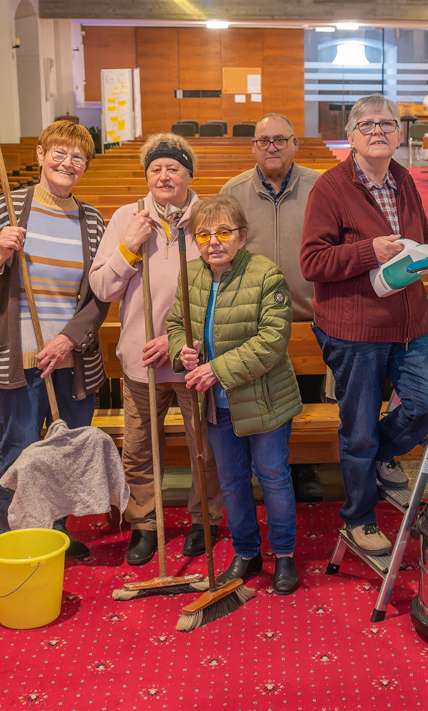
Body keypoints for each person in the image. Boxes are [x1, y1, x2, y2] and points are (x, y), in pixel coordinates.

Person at [300, 93, 428, 555]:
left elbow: (426, 244)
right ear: (351, 135)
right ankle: (358, 518)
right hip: (355, 330)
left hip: (411, 323)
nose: (378, 131)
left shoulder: (403, 179)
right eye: (367, 124)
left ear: (399, 133)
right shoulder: (331, 188)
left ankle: (381, 456)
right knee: (359, 428)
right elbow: (312, 262)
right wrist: (370, 251)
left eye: (387, 124)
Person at [0, 121, 109, 559]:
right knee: (19, 451)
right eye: (59, 153)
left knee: (64, 451)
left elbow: (99, 297)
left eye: (78, 157)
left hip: (71, 357)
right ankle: (18, 540)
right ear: (40, 155)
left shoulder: (92, 221)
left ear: (85, 166)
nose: (67, 163)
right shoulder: (8, 209)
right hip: (18, 359)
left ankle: (56, 535)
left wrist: (67, 339)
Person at [89, 134, 224, 566]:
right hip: (140, 360)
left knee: (204, 446)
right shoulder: (127, 217)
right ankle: (146, 523)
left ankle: (205, 519)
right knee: (141, 448)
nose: (164, 176)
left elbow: (226, 287)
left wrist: (179, 339)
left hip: (192, 358)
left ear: (189, 174)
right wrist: (130, 244)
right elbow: (104, 288)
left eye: (173, 168)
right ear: (147, 175)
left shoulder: (210, 218)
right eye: (155, 169)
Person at [168, 195, 302, 594]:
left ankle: (284, 555)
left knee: (274, 478)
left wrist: (216, 369)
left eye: (224, 232)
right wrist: (182, 350)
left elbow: (272, 341)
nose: (214, 242)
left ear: (241, 237)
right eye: (204, 234)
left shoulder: (266, 275)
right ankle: (246, 552)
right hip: (216, 404)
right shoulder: (190, 275)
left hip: (264, 399)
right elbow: (178, 322)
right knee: (230, 481)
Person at [221, 112, 324, 502]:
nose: (273, 147)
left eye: (281, 139)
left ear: (295, 144)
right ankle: (264, 466)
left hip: (310, 311)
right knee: (263, 394)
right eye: (264, 141)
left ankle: (305, 466)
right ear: (253, 147)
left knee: (309, 392)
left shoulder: (319, 187)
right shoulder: (234, 191)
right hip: (256, 316)